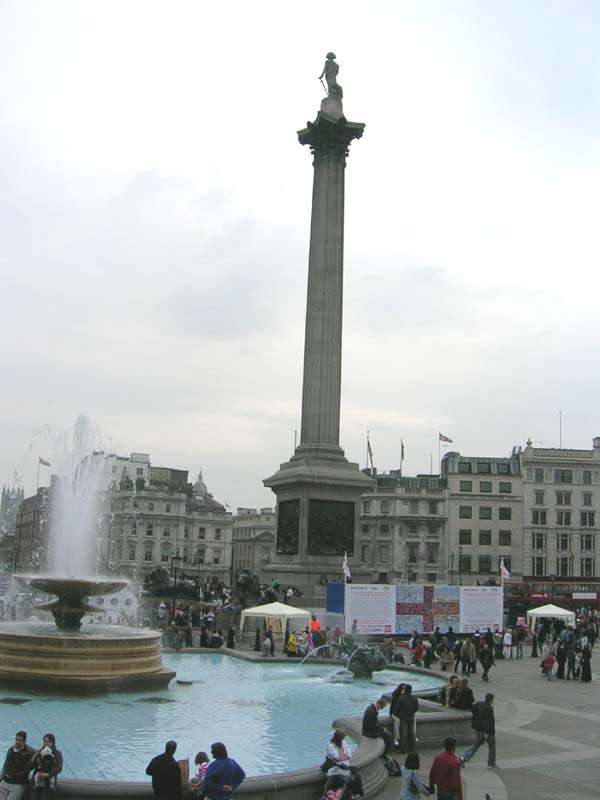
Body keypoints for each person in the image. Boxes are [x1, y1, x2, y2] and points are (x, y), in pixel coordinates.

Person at [459, 692, 497, 769]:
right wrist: (486, 732)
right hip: (488, 732)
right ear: (491, 700)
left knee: (477, 743)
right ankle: (491, 763)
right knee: (492, 746)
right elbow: (489, 722)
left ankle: (464, 758)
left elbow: (472, 710)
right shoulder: (489, 709)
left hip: (478, 729)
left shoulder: (478, 704)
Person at [324, 729, 363, 798]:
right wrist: (342, 751)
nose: (343, 739)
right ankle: (355, 794)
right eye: (342, 738)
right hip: (337, 767)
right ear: (338, 738)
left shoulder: (343, 742)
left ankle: (357, 793)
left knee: (356, 772)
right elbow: (338, 758)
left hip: (344, 765)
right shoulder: (331, 746)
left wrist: (342, 757)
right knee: (352, 775)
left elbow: (349, 755)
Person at [0, 731, 34, 800]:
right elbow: (6, 765)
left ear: (24, 741)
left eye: (20, 740)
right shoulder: (11, 749)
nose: (17, 742)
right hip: (6, 781)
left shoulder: (30, 752)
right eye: (16, 739)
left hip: (18, 783)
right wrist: (1, 778)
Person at [29, 733, 63, 800]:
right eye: (45, 742)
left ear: (53, 743)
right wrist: (35, 755)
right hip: (37, 781)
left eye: (48, 742)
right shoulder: (40, 752)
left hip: (48, 782)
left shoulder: (57, 753)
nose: (46, 744)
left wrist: (48, 774)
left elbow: (59, 768)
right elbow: (31, 766)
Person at [395, 684, 419, 754]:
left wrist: (396, 714)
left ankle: (403, 750)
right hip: (411, 717)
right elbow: (416, 708)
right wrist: (412, 712)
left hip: (403, 718)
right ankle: (413, 749)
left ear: (405, 690)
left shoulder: (401, 698)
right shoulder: (414, 698)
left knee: (403, 734)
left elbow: (397, 709)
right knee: (412, 733)